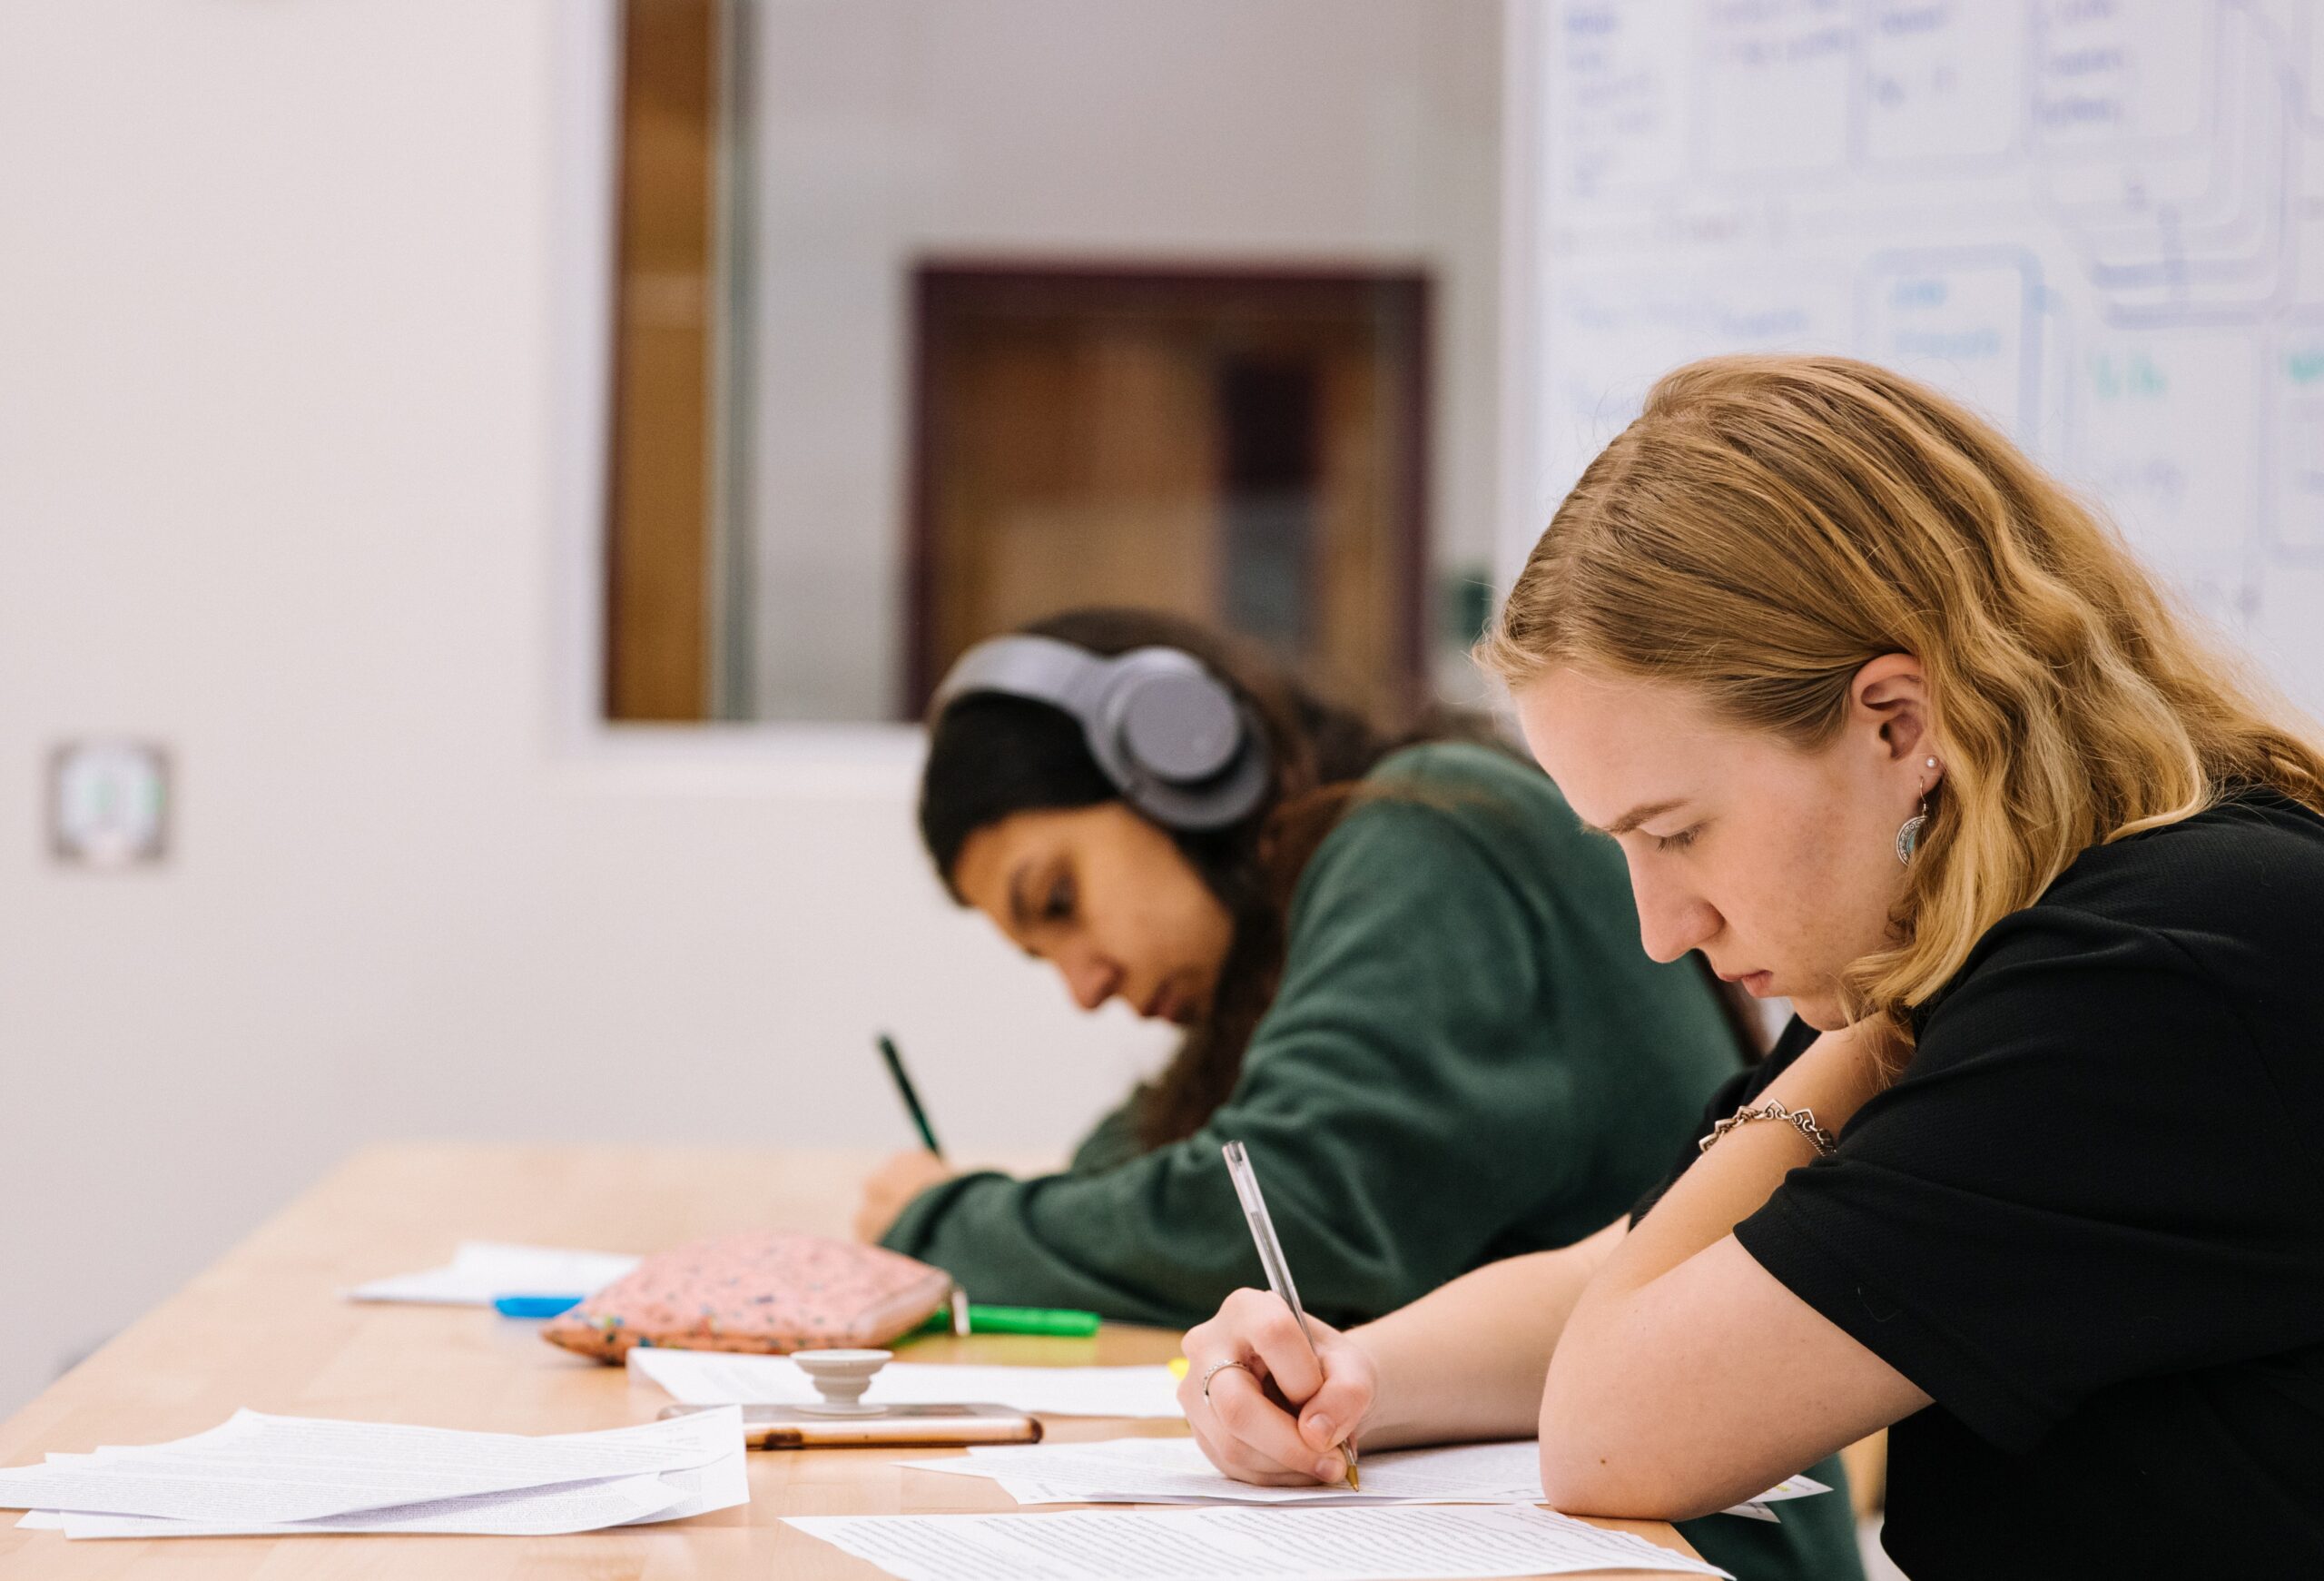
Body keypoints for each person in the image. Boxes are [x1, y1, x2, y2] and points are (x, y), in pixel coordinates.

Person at [1177, 354, 2324, 1577]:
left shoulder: (2155, 970)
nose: (1663, 930)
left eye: (1677, 833)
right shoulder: (1994, 923)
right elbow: (1649, 1275)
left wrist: (1861, 1038)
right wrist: (1352, 1374)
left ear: (1901, 722)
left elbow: (1620, 1430)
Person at [857, 606, 1866, 1581]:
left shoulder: (1431, 840)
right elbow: (1125, 1180)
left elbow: (1284, 1214)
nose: (1086, 986)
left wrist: (932, 1220)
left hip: (1681, 1552)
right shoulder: (1305, 919)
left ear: (1180, 758)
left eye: (1061, 901)